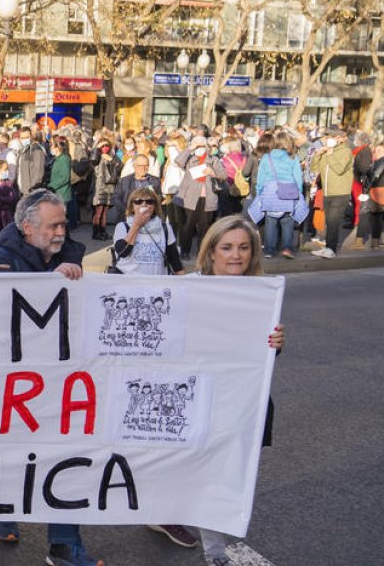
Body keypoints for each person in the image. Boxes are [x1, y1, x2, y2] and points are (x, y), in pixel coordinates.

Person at [0, 190, 105, 566]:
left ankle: (64, 545)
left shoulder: (72, 255)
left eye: (64, 224)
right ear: (27, 229)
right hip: (13, 383)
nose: (61, 232)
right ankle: (4, 511)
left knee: (64, 458)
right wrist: (47, 284)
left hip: (60, 381)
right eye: (54, 225)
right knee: (13, 455)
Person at [192, 215, 286, 566]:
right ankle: (215, 553)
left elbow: (258, 358)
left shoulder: (263, 296)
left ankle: (210, 544)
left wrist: (276, 343)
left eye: (244, 248)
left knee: (228, 477)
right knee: (208, 476)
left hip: (244, 406)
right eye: (227, 247)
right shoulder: (190, 288)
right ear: (211, 252)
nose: (236, 255)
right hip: (201, 402)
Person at [248, 131, 307, 259]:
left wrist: (260, 194)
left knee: (270, 222)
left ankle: (269, 250)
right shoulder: (293, 158)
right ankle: (287, 247)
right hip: (289, 193)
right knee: (287, 222)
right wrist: (299, 193)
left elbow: (260, 179)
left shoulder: (266, 158)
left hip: (270, 193)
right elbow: (298, 179)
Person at [173, 136, 226, 260]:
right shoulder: (190, 159)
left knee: (205, 227)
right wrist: (190, 148)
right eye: (197, 146)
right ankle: (185, 251)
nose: (200, 148)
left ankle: (201, 252)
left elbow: (223, 175)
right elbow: (178, 161)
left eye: (202, 146)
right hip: (190, 197)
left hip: (208, 198)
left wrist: (213, 172)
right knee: (188, 226)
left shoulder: (214, 160)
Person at [111, 187, 185, 275]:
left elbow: (174, 259)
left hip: (157, 283)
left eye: (149, 201)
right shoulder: (123, 227)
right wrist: (136, 225)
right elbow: (122, 252)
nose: (144, 204)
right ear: (132, 207)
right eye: (138, 201)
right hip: (129, 284)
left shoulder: (165, 228)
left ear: (154, 207)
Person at [308, 130, 353, 259]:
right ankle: (328, 247)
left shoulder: (345, 151)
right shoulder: (327, 150)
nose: (330, 139)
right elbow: (314, 168)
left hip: (340, 192)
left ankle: (331, 249)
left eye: (334, 136)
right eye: (329, 136)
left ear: (343, 138)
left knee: (333, 221)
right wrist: (318, 154)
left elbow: (339, 169)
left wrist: (330, 155)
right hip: (327, 191)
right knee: (329, 221)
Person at [362, 141, 384, 249]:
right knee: (379, 217)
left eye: (380, 150)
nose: (377, 152)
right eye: (376, 150)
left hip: (378, 191)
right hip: (383, 190)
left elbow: (375, 176)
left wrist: (365, 189)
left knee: (375, 217)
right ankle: (378, 240)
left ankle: (375, 242)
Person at [110, 154, 160, 224]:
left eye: (146, 165)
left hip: (149, 218)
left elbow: (158, 198)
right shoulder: (124, 181)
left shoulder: (155, 181)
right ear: (134, 166)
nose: (143, 168)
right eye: (140, 166)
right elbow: (116, 198)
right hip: (128, 218)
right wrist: (128, 211)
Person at [91, 141, 122, 240]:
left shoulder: (113, 155)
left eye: (107, 145)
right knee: (98, 211)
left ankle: (103, 231)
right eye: (102, 145)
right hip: (100, 187)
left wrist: (111, 160)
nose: (105, 147)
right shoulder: (97, 155)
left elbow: (120, 166)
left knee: (105, 212)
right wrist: (97, 148)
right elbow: (93, 160)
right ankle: (96, 232)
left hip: (110, 187)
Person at [49, 139, 74, 231]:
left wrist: (51, 185)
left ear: (57, 148)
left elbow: (65, 177)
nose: (50, 148)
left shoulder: (64, 159)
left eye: (52, 146)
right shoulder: (57, 159)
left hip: (62, 193)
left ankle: (64, 239)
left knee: (61, 218)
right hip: (57, 193)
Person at [16, 127, 47, 193]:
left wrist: (33, 189)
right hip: (21, 190)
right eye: (22, 138)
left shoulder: (36, 150)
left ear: (31, 136)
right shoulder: (22, 151)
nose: (25, 140)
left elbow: (39, 172)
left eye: (27, 137)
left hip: (31, 191)